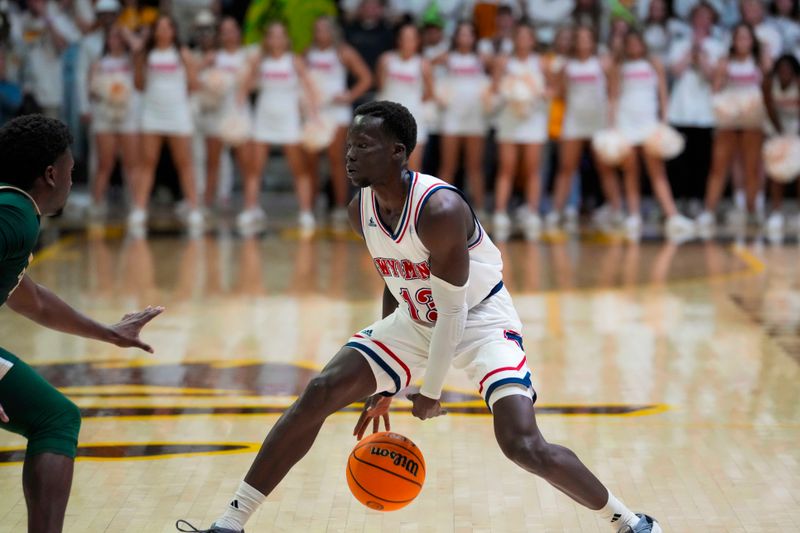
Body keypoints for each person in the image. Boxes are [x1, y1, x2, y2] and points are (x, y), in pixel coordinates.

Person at [174, 100, 661, 533]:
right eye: (349, 144)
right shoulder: (358, 209)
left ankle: (629, 522)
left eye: (364, 145)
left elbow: (452, 315)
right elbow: (395, 280)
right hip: (415, 317)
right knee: (320, 393)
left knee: (522, 444)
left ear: (397, 152)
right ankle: (230, 522)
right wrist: (386, 378)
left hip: (479, 322)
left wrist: (425, 392)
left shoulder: (441, 208)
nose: (349, 155)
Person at [0, 114, 162, 533]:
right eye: (71, 171)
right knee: (54, 420)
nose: (74, 182)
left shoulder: (14, 209)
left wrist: (109, 333)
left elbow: (31, 298)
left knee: (55, 416)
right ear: (51, 175)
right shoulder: (14, 216)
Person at [609, 30, 695, 239]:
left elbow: (663, 94)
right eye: (629, 43)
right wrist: (612, 126)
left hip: (649, 123)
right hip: (626, 122)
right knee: (630, 171)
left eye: (637, 42)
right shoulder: (618, 67)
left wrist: (664, 121)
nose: (633, 47)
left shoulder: (654, 63)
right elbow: (613, 97)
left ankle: (672, 215)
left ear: (643, 44)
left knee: (657, 171)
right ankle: (634, 215)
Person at [243, 21, 318, 233]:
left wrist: (313, 116)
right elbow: (245, 88)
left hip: (289, 120)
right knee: (254, 168)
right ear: (267, 39)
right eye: (272, 35)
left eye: (280, 35)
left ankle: (305, 212)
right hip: (263, 118)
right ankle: (251, 209)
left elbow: (310, 87)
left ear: (286, 39)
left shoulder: (294, 61)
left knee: (299, 168)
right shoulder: (260, 60)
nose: (276, 40)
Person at [132, 15, 203, 234]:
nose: (163, 32)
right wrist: (137, 59)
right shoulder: (147, 54)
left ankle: (194, 208)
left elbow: (193, 84)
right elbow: (139, 85)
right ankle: (140, 209)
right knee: (147, 162)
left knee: (185, 163)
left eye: (167, 27)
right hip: (152, 114)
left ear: (174, 31)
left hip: (177, 114)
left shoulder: (182, 54)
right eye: (159, 28)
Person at [696, 23, 769, 234]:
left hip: (752, 119)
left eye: (747, 38)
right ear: (733, 41)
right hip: (728, 119)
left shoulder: (759, 63)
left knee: (751, 168)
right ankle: (709, 211)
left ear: (752, 41)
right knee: (719, 166)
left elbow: (766, 90)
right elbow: (715, 91)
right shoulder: (725, 63)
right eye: (739, 38)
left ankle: (752, 211)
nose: (743, 42)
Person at [547, 25, 621, 231]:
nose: (583, 42)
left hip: (598, 122)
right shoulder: (566, 66)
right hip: (573, 121)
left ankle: (616, 210)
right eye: (579, 38)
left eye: (587, 38)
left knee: (605, 168)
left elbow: (614, 92)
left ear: (593, 41)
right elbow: (559, 93)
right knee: (566, 168)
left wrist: (612, 121)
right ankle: (556, 211)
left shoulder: (602, 63)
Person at [304, 15, 372, 226]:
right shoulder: (308, 53)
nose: (320, 34)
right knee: (311, 162)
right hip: (314, 113)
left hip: (337, 114)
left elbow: (366, 78)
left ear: (333, 31)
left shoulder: (343, 52)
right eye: (317, 30)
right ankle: (311, 206)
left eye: (324, 29)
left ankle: (339, 207)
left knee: (337, 161)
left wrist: (349, 96)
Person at [492, 21, 550, 242]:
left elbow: (553, 89)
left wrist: (538, 91)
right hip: (509, 119)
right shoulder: (504, 62)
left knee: (533, 169)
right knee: (507, 168)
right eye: (520, 36)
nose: (523, 40)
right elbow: (495, 88)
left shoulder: (542, 63)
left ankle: (532, 213)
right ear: (514, 38)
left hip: (533, 119)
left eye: (528, 36)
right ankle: (500, 213)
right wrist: (511, 91)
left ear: (533, 40)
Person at [87, 24, 142, 221]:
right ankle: (97, 203)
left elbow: (139, 47)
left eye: (119, 38)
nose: (115, 41)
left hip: (128, 117)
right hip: (105, 117)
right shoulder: (99, 63)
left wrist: (127, 33)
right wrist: (106, 91)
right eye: (112, 37)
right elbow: (91, 91)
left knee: (132, 164)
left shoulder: (133, 60)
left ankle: (137, 205)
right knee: (105, 163)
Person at [436, 21, 489, 214]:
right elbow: (427, 66)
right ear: (455, 37)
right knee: (448, 165)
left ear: (475, 38)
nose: (465, 38)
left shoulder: (481, 58)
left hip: (474, 117)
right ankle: (441, 206)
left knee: (474, 166)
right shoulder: (448, 57)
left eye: (469, 34)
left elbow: (500, 68)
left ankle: (480, 207)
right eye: (462, 34)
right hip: (452, 116)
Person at [376, 23, 433, 171]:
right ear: (398, 40)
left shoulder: (423, 64)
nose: (407, 41)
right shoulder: (386, 60)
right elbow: (381, 87)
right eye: (404, 37)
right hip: (389, 121)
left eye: (411, 38)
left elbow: (429, 93)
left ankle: (412, 195)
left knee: (413, 169)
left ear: (418, 41)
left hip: (414, 120)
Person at [763, 53, 800, 234]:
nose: (785, 73)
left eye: (788, 70)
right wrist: (781, 136)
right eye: (781, 69)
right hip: (777, 128)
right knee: (776, 170)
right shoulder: (769, 83)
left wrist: (793, 138)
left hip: (797, 129)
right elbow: (770, 110)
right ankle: (776, 212)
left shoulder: (798, 83)